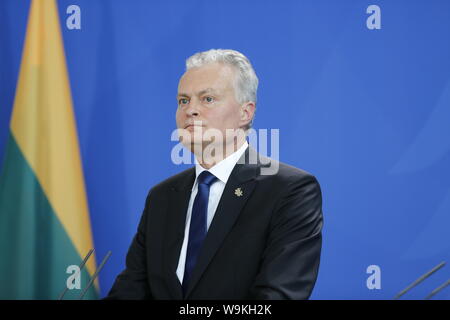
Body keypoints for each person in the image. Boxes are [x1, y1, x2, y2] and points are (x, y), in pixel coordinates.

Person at [106, 49, 323, 300]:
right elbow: (131, 291)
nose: (191, 110)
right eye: (183, 100)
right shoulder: (162, 197)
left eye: (207, 99)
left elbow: (277, 296)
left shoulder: (290, 191)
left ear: (246, 113)